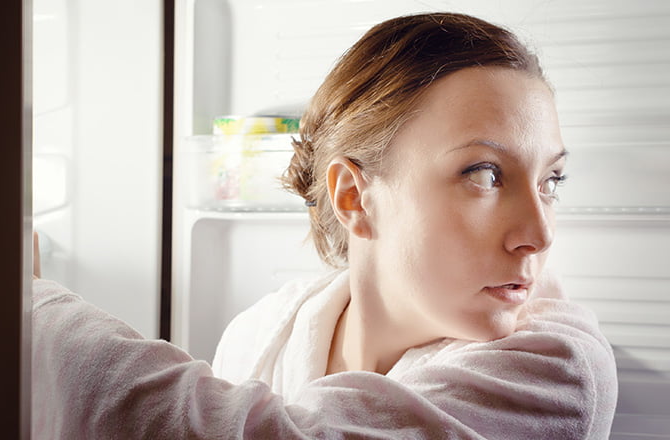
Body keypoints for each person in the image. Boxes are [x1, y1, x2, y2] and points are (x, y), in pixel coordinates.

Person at [32, 12, 617, 439]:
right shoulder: (263, 333)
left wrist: (32, 310)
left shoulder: (557, 371)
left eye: (551, 181)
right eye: (485, 174)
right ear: (353, 196)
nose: (539, 234)